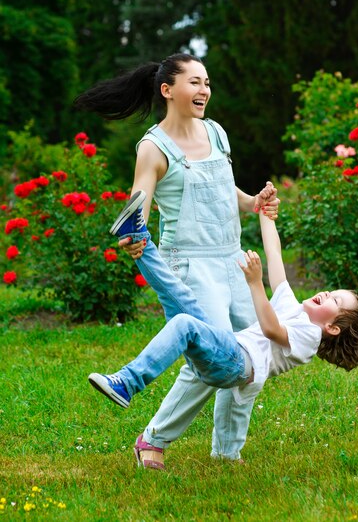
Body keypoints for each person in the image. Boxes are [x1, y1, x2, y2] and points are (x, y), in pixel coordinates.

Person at [75, 53, 279, 470]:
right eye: (194, 82)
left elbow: (225, 190)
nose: (204, 90)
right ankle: (152, 439)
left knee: (253, 356)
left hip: (234, 260)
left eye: (207, 82)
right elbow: (138, 205)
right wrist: (135, 236)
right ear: (168, 90)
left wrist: (252, 201)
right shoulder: (153, 147)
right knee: (214, 355)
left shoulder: (216, 133)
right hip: (188, 265)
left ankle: (227, 450)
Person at [88, 191, 358, 469]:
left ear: (332, 328)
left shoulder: (310, 337)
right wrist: (265, 211)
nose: (328, 293)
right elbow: (276, 256)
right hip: (227, 352)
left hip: (235, 365)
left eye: (336, 300)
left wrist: (255, 284)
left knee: (184, 324)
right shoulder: (292, 307)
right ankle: (138, 236)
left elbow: (271, 330)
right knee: (177, 295)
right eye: (334, 291)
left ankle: (126, 383)